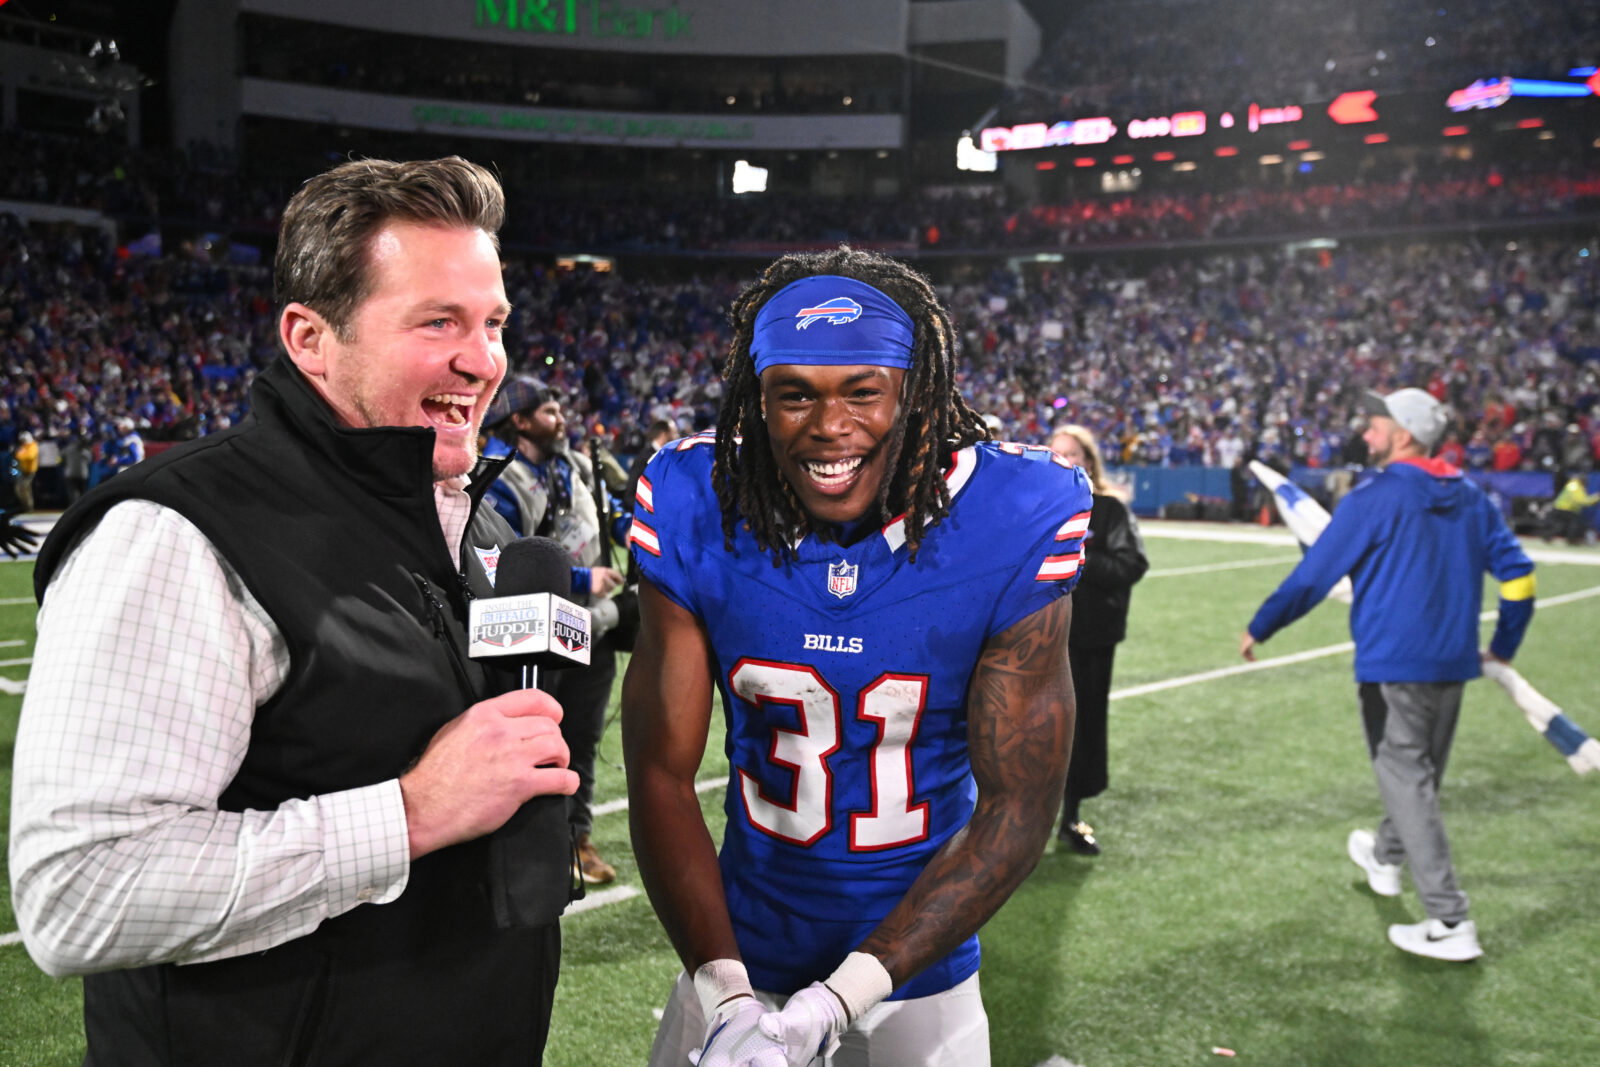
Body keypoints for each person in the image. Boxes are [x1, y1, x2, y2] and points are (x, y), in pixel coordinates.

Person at [9, 156, 581, 1065]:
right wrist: (408, 812)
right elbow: (79, 893)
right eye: (439, 322)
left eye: (493, 322)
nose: (484, 360)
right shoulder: (175, 534)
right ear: (310, 338)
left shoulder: (447, 522)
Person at [622, 247, 1093, 1066]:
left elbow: (1018, 802)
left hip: (918, 980)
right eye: (794, 393)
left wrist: (843, 997)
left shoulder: (1014, 514)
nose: (829, 425)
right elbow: (659, 772)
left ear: (917, 395)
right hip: (739, 959)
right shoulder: (698, 501)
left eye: (862, 391)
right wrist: (727, 995)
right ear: (757, 398)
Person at [1240, 387, 1536, 963]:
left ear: (1402, 432)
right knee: (1418, 778)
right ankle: (1384, 857)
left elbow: (1313, 576)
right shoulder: (1473, 498)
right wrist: (1503, 646)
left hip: (1393, 666)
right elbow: (1520, 579)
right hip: (1452, 664)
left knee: (1406, 778)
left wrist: (1262, 625)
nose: (1366, 435)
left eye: (1374, 425)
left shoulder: (1373, 498)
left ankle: (1450, 919)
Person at [484, 376, 626, 885]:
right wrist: (586, 577)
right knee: (541, 742)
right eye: (548, 409)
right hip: (534, 638)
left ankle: (577, 838)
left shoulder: (571, 466)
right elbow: (501, 561)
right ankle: (537, 847)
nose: (560, 416)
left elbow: (606, 522)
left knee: (583, 740)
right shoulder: (496, 477)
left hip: (590, 624)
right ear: (519, 420)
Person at [1046, 425, 1148, 856]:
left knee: (1081, 729)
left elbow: (1131, 564)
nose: (1064, 460)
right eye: (1055, 453)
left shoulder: (1108, 510)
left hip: (1087, 639)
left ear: (1089, 462)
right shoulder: (1034, 506)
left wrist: (1079, 554)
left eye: (1072, 453)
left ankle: (1070, 815)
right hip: (1033, 636)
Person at [1549, 467, 1598, 545]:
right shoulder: (1574, 486)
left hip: (1564, 508)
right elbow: (1582, 501)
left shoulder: (1575, 485)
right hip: (1564, 508)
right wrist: (1596, 497)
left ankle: (1548, 537)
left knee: (1563, 524)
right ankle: (1571, 540)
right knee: (1574, 523)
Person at [12, 430, 39, 511]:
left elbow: (30, 456)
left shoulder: (33, 446)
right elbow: (17, 455)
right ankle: (25, 507)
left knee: (25, 489)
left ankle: (29, 508)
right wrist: (22, 454)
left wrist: (22, 454)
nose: (22, 442)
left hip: (30, 472)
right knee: (18, 489)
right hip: (23, 472)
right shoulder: (24, 447)